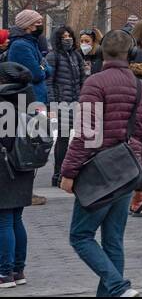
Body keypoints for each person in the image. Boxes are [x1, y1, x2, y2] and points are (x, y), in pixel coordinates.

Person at [59, 30, 142, 297]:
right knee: (114, 240)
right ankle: (115, 293)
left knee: (80, 236)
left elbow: (85, 133)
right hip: (127, 171)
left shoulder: (95, 83)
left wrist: (68, 172)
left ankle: (118, 286)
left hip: (99, 171)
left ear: (102, 52)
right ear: (131, 53)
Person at [0, 55, 35, 289]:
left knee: (3, 220)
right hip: (25, 165)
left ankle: (4, 273)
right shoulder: (28, 99)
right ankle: (18, 270)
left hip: (4, 166)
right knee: (17, 218)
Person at [48, 25, 87, 188]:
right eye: (64, 37)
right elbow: (49, 82)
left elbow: (83, 79)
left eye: (69, 36)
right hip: (62, 102)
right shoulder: (53, 56)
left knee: (79, 139)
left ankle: (73, 172)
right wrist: (52, 105)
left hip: (77, 102)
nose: (67, 39)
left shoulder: (76, 56)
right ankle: (58, 173)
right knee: (63, 139)